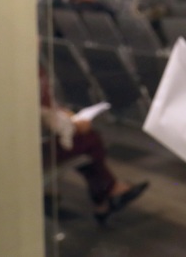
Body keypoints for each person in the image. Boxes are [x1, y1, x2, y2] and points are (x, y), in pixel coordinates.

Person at [39, 65, 148, 224]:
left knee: (88, 141)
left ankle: (106, 195)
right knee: (90, 140)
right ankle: (106, 195)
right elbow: (40, 114)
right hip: (40, 147)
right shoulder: (28, 70)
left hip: (41, 138)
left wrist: (64, 115)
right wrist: (74, 125)